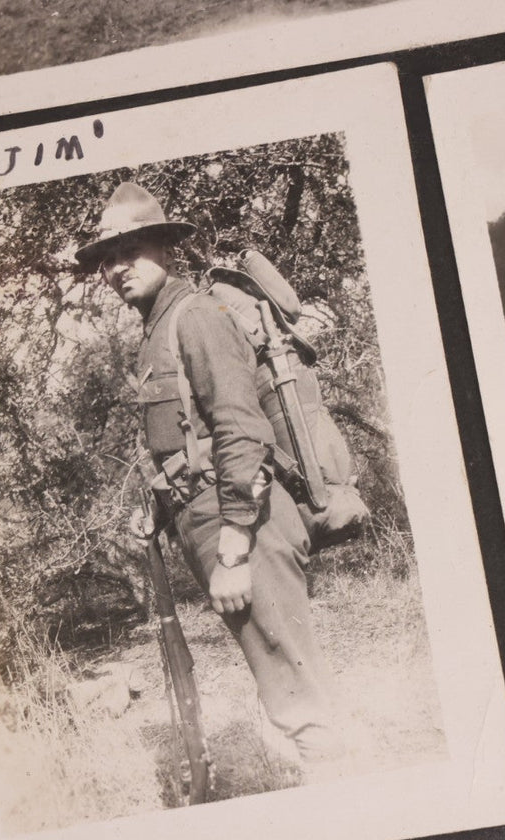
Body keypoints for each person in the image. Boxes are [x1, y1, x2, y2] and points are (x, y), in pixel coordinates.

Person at [75, 181, 348, 776]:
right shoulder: (159, 326)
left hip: (245, 528)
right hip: (214, 516)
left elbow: (241, 432)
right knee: (282, 674)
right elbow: (189, 436)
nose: (116, 268)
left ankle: (353, 812)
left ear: (166, 250)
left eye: (132, 250)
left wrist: (232, 550)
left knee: (293, 690)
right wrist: (161, 497)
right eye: (107, 258)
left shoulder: (195, 316)